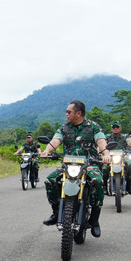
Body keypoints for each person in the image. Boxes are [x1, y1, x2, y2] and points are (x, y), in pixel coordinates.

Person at [40, 100, 112, 237]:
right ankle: (56, 212)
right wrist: (47, 151)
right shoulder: (64, 127)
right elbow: (56, 140)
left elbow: (101, 140)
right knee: (50, 181)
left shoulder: (93, 126)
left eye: (69, 112)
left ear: (78, 113)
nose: (66, 114)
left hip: (89, 164)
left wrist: (106, 154)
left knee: (97, 181)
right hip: (67, 165)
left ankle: (95, 220)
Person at [104, 121, 131, 195]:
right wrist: (100, 151)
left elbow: (129, 142)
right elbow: (103, 145)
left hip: (122, 156)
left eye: (117, 127)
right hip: (110, 157)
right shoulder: (107, 137)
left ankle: (129, 187)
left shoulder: (125, 136)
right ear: (111, 129)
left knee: (129, 165)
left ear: (120, 128)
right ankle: (104, 188)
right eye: (113, 127)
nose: (115, 129)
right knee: (104, 168)